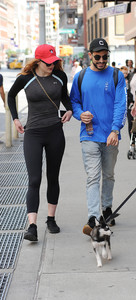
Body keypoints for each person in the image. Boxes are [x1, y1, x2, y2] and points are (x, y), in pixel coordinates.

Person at [8, 44, 73, 242]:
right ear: (38, 61)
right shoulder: (25, 79)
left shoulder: (60, 77)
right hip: (33, 134)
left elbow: (65, 98)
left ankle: (51, 219)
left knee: (53, 177)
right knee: (34, 179)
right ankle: (32, 226)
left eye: (54, 61)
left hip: (55, 132)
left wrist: (69, 110)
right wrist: (16, 119)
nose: (52, 65)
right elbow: (11, 96)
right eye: (48, 62)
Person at [70, 38, 127, 235]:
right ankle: (93, 217)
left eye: (105, 56)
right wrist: (80, 114)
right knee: (93, 176)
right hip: (89, 135)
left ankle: (107, 208)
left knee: (108, 174)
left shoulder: (117, 76)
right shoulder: (81, 77)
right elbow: (74, 103)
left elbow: (121, 105)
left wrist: (115, 129)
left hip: (110, 135)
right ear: (90, 55)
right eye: (98, 56)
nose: (102, 60)